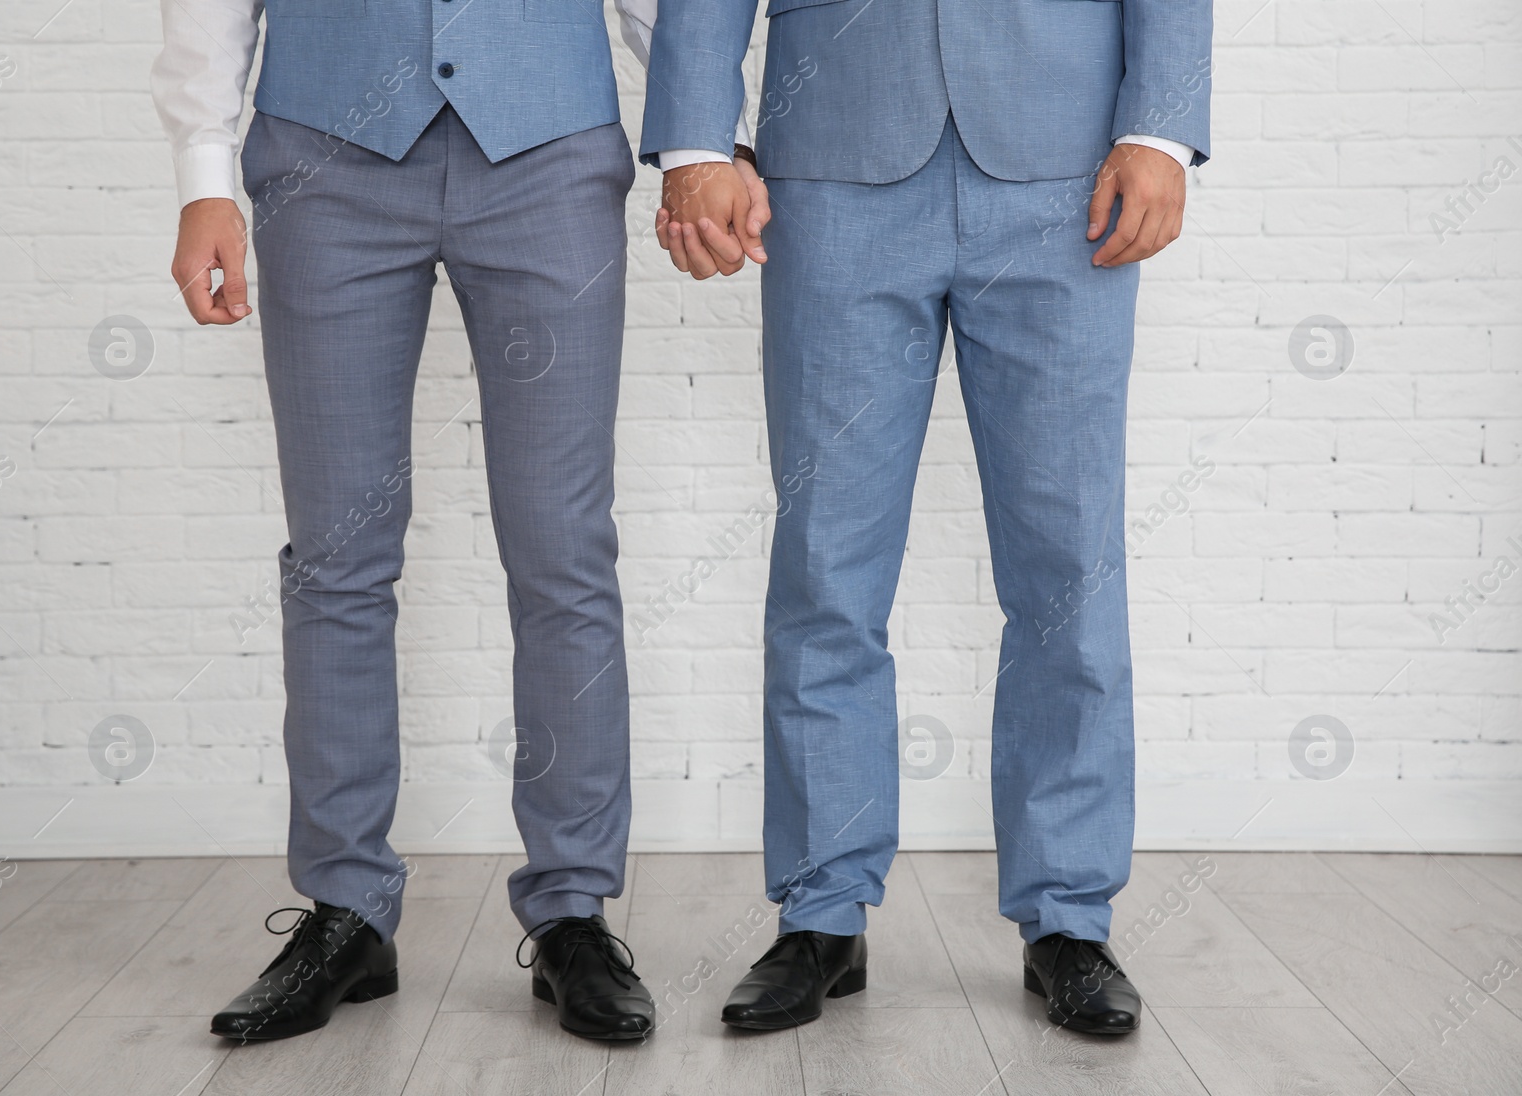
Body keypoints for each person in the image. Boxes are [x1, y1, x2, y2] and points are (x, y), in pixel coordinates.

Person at [149, 0, 762, 1043]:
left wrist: (702, 142)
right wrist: (203, 177)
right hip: (321, 161)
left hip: (548, 155)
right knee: (334, 555)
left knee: (562, 550)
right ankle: (346, 910)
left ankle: (571, 908)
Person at [644, 0, 1212, 1035]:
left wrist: (1160, 129)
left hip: (1069, 170)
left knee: (1066, 569)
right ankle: (821, 912)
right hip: (833, 164)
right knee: (826, 566)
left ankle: (1069, 917)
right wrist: (691, 138)